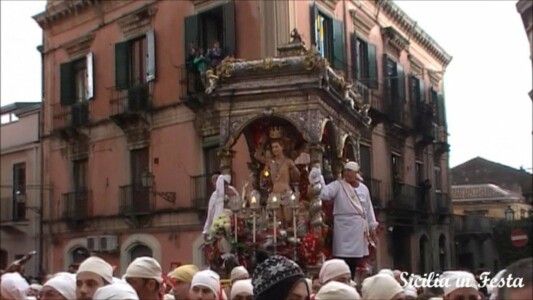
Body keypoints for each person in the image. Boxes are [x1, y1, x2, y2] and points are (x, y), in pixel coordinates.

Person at [310, 161, 378, 280]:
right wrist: (318, 179)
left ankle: (351, 279)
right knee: (342, 258)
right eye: (345, 170)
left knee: (355, 259)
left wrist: (372, 225)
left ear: (356, 173)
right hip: (342, 226)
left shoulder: (364, 189)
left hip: (357, 227)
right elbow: (324, 194)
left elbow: (368, 208)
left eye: (350, 171)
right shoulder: (338, 185)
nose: (346, 173)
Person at [254, 131, 300, 225]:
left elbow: (297, 176)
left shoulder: (288, 161)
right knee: (278, 220)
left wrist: (294, 169)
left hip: (286, 193)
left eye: (276, 147)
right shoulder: (270, 162)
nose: (274, 150)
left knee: (288, 219)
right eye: (273, 148)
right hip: (275, 194)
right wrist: (262, 143)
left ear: (282, 147)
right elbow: (257, 156)